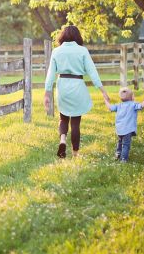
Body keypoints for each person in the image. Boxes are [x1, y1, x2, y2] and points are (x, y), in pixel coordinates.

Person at [44, 25, 111, 159]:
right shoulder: (82, 51)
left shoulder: (56, 52)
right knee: (75, 122)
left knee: (63, 118)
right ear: (77, 36)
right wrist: (103, 91)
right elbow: (92, 72)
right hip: (77, 85)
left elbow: (50, 74)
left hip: (62, 85)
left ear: (62, 36)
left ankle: (62, 140)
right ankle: (75, 153)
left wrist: (47, 93)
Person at [106, 86, 144, 162]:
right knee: (126, 145)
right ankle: (123, 159)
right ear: (132, 97)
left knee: (120, 142)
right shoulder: (133, 105)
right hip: (128, 129)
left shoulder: (118, 105)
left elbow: (110, 107)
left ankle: (118, 153)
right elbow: (141, 106)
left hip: (119, 129)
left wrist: (105, 100)